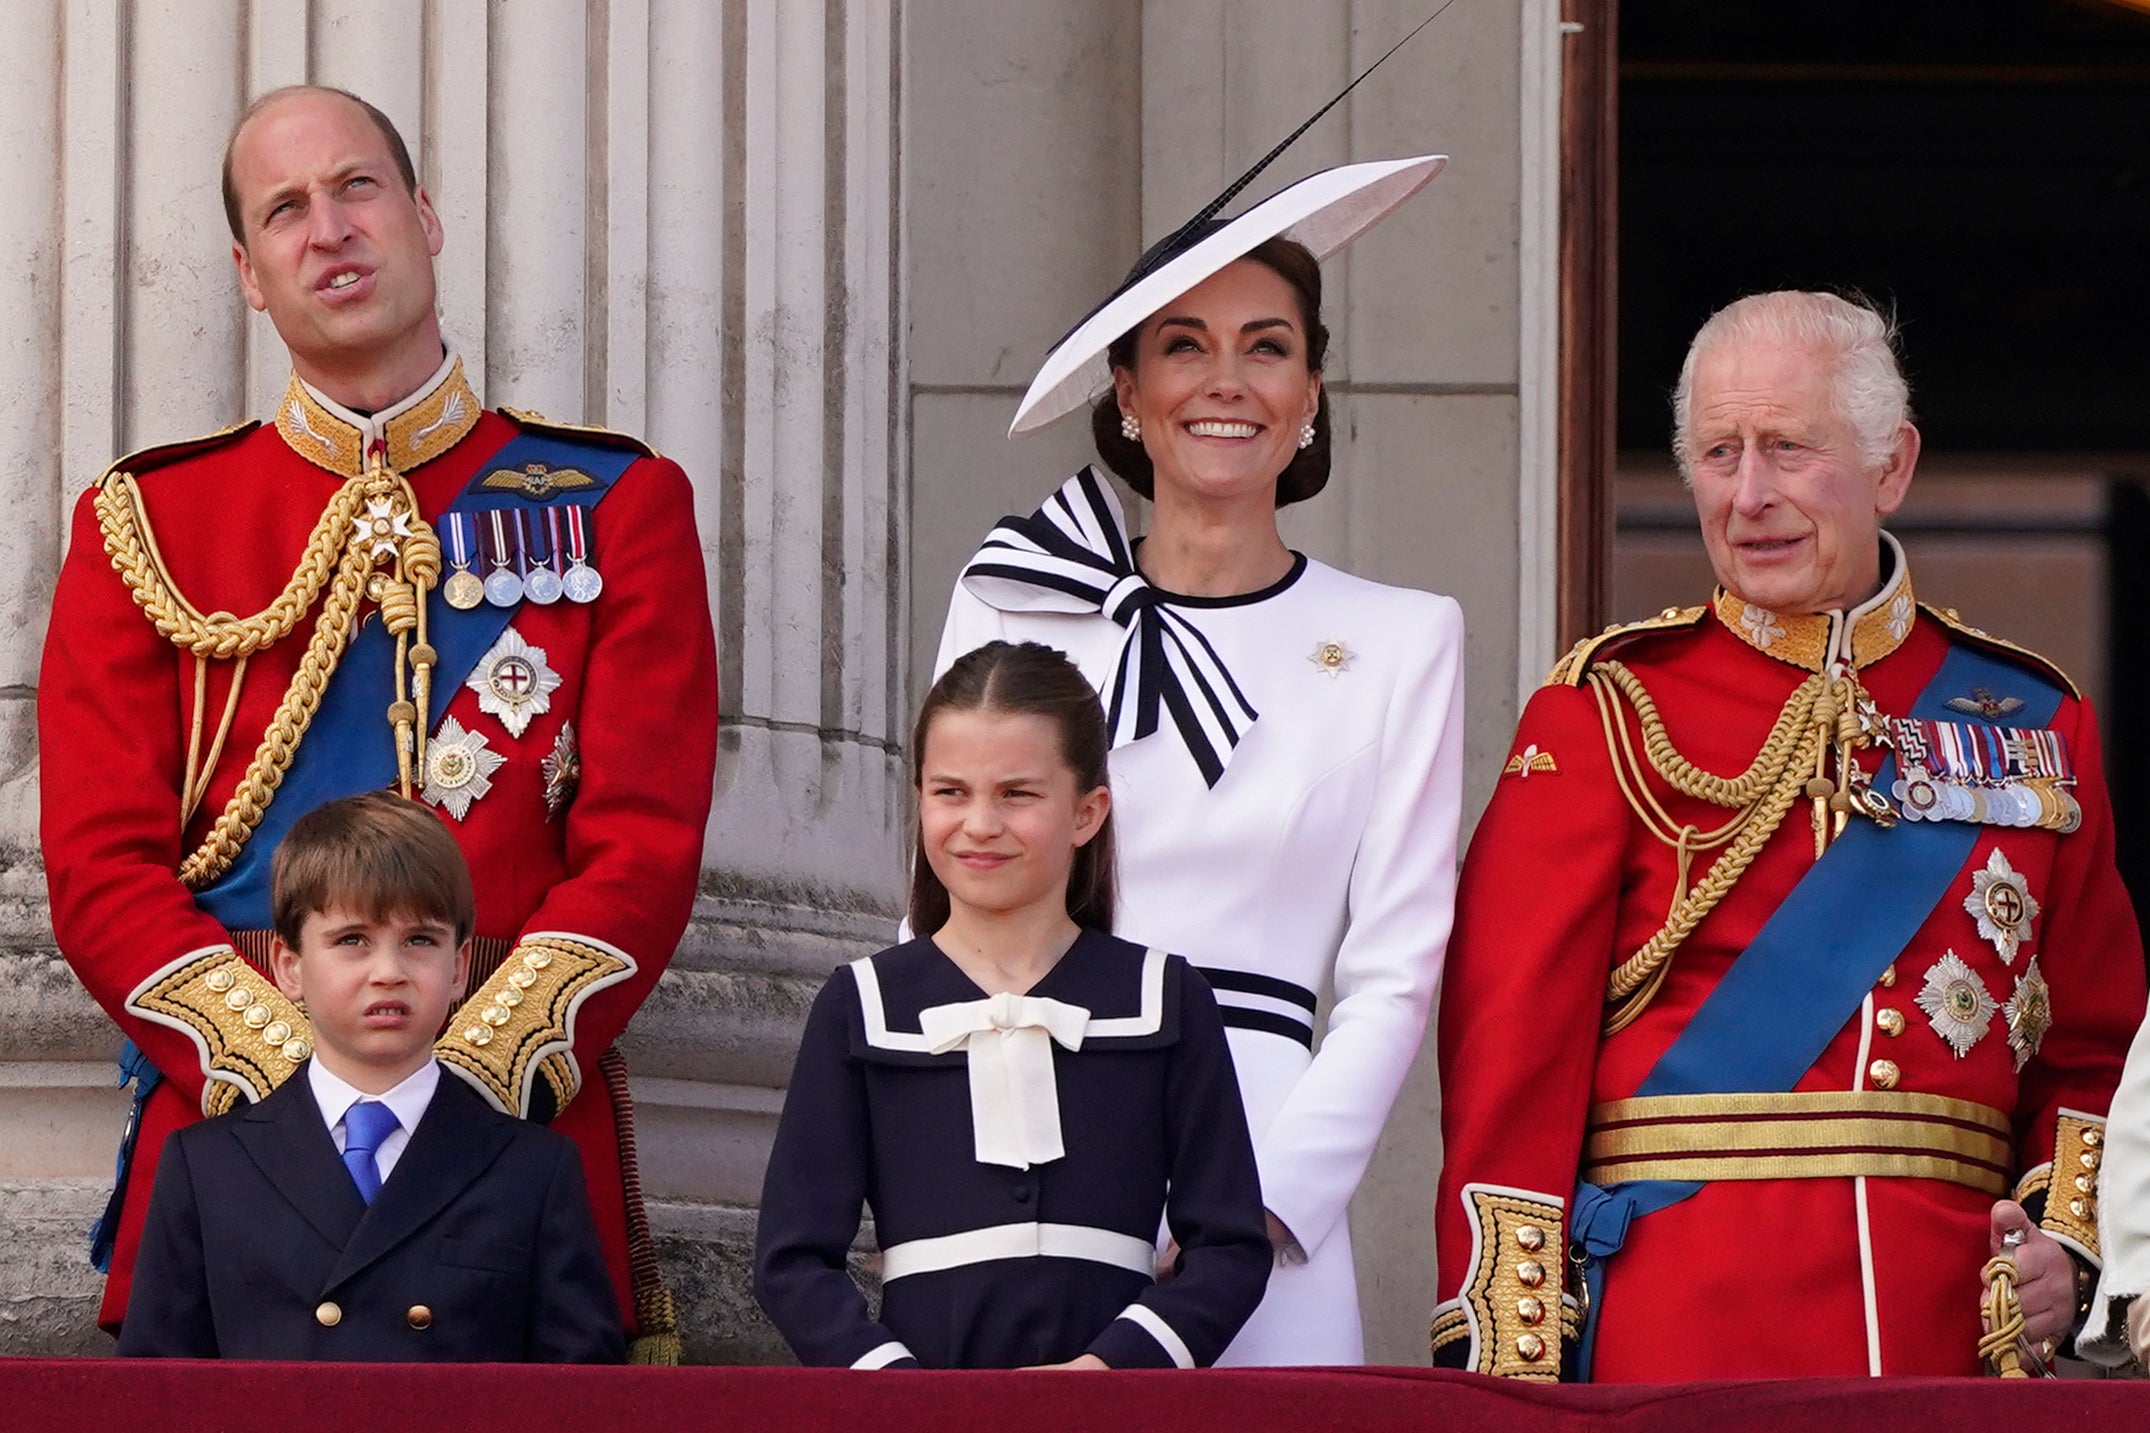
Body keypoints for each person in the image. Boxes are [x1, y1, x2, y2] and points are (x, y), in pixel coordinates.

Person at [38, 85, 716, 1356]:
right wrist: (304, 1084)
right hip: (234, 1145)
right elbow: (97, 865)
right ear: (248, 273)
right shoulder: (147, 523)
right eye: (283, 209)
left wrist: (460, 1078)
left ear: (425, 216)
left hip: (513, 1137)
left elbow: (645, 841)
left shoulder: (618, 501)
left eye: (355, 187)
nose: (327, 230)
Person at [1431, 290, 2146, 1381]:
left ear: (1889, 466)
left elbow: (2092, 1046)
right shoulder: (1606, 710)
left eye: (1785, 448)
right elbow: (1508, 1065)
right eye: (1717, 453)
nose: (1747, 495)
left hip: (1945, 1334)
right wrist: (1510, 1364)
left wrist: (2064, 1246)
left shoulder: (2035, 720)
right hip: (1674, 1326)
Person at [931, 155, 1463, 1365]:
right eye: (1182, 344)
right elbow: (939, 908)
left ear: (1311, 388)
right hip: (1028, 1131)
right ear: (1125, 387)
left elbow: (1393, 970)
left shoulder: (1401, 637)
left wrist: (1263, 1203)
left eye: (1265, 346)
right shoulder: (1016, 602)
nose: (1225, 382)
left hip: (1260, 1150)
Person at [754, 641, 1270, 1368]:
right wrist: (893, 1385)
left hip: (1118, 1410)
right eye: (951, 791)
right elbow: (792, 1260)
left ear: (1087, 811)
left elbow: (1229, 1247)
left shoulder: (1166, 997)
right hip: (916, 1414)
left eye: (1017, 794)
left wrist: (1113, 1370)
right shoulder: (861, 1003)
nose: (980, 824)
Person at [117, 792, 623, 1361]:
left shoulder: (533, 1169)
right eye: (352, 940)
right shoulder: (207, 1166)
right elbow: (157, 1394)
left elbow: (582, 1399)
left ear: (459, 969)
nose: (389, 972)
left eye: (420, 941)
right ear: (290, 968)